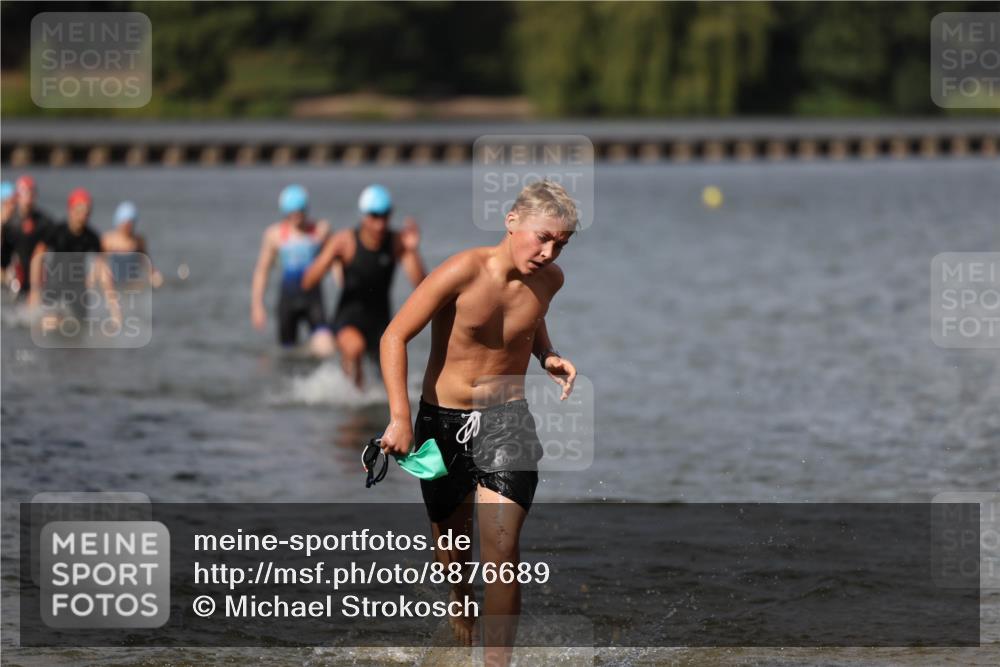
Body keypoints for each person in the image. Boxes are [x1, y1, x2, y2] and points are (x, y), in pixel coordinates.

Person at [378, 180, 579, 662]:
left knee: (501, 555)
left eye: (561, 243)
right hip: (439, 426)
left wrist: (546, 354)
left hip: (506, 423)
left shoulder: (551, 280)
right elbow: (393, 337)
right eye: (542, 237)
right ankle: (462, 610)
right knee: (454, 554)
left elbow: (527, 321)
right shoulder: (462, 271)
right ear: (512, 221)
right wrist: (400, 419)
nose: (549, 252)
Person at [301, 184, 426, 387]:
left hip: (380, 322)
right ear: (363, 216)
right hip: (348, 319)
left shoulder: (396, 242)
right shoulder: (345, 241)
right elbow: (308, 282)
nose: (380, 224)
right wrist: (326, 252)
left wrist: (413, 251)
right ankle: (352, 406)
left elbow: (422, 288)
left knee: (384, 382)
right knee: (354, 349)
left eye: (385, 216)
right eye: (374, 216)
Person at [251, 184, 335, 357]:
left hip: (314, 300)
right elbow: (262, 271)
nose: (297, 217)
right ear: (285, 212)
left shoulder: (320, 230)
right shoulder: (274, 235)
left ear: (306, 209)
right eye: (292, 213)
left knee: (326, 348)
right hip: (287, 300)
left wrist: (340, 278)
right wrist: (257, 305)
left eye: (300, 212)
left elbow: (335, 259)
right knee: (288, 353)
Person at [29, 188, 120, 325]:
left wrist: (115, 311)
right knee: (50, 324)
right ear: (71, 210)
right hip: (55, 283)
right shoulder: (56, 231)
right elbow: (37, 257)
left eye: (87, 212)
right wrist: (35, 289)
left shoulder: (92, 237)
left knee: (80, 327)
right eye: (79, 211)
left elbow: (104, 270)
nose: (83, 216)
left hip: (77, 287)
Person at [1, 176, 55, 299]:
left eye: (31, 192)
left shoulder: (44, 222)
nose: (28, 197)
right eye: (25, 193)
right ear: (17, 197)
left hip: (36, 276)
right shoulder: (8, 221)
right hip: (11, 274)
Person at [101, 201, 164, 288]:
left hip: (132, 283)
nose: (128, 226)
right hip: (113, 283)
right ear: (119, 222)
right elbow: (99, 262)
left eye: (131, 223)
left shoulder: (138, 241)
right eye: (126, 223)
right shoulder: (108, 240)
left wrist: (154, 275)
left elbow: (146, 262)